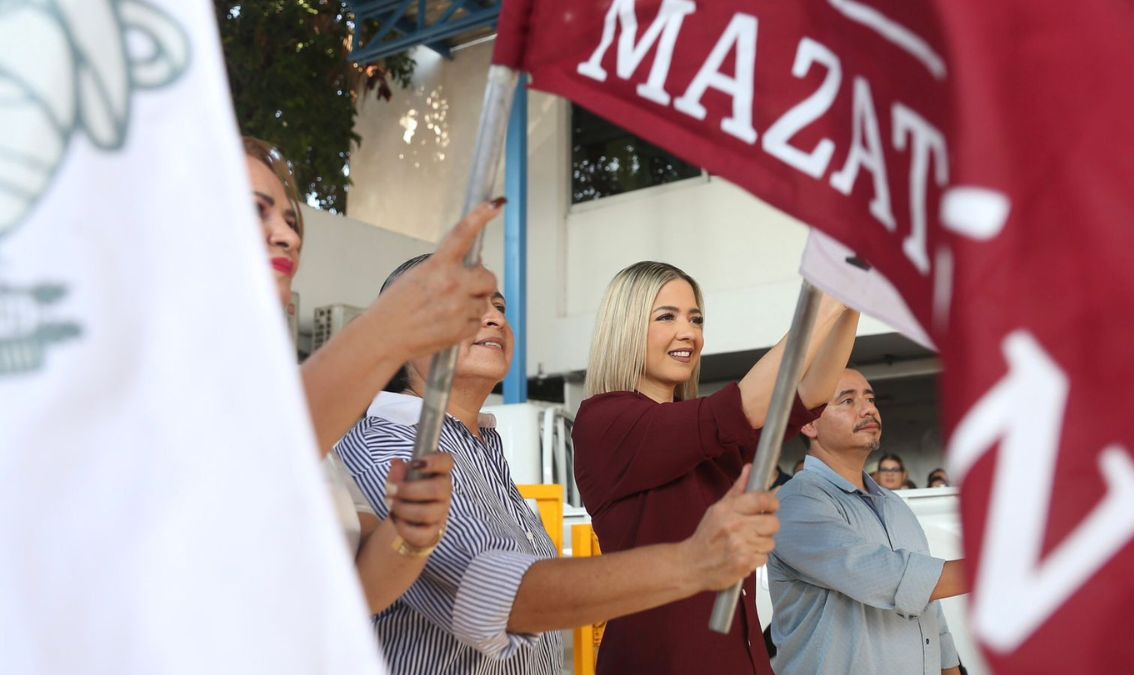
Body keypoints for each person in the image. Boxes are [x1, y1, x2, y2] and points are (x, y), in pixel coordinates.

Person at [335, 255, 783, 675]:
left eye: (498, 306)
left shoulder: (480, 448)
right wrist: (691, 562)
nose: (492, 316)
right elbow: (501, 597)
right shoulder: (390, 446)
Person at [572, 261, 860, 675]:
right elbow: (744, 406)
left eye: (696, 318)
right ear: (626, 326)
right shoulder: (606, 423)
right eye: (666, 317)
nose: (689, 333)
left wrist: (851, 302)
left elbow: (809, 393)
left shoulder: (710, 437)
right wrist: (825, 298)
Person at [244, 137, 490, 593]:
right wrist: (396, 324)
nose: (289, 236)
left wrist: (410, 532)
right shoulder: (156, 373)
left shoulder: (273, 388)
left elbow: (359, 587)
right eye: (257, 211)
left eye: (291, 219)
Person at [768, 369, 967, 675]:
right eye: (847, 401)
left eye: (870, 398)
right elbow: (886, 576)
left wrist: (950, 668)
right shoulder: (797, 503)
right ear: (807, 424)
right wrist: (988, 571)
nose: (868, 409)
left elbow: (929, 608)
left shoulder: (894, 504)